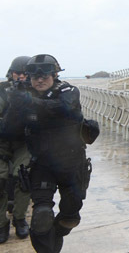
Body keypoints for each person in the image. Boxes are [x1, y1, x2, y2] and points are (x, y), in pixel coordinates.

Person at [5, 54, 91, 252]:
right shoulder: (24, 95)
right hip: (42, 165)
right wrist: (15, 106)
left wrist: (28, 102)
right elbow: (8, 130)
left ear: (54, 75)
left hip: (71, 164)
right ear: (29, 77)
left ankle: (55, 236)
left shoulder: (68, 91)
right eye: (35, 77)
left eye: (45, 75)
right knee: (42, 216)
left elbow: (64, 109)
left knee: (70, 218)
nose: (40, 80)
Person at [0, 56, 32, 243]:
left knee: (23, 177)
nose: (20, 76)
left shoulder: (34, 92)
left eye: (24, 73)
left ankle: (20, 218)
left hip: (23, 143)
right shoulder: (3, 91)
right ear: (11, 73)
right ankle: (1, 224)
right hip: (2, 143)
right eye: (17, 73)